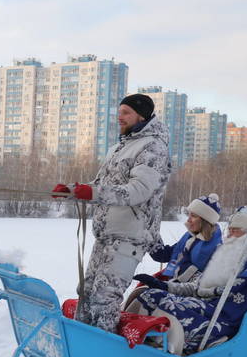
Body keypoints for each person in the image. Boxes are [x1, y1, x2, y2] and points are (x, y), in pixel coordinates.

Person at [52, 93, 171, 332]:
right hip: (107, 234)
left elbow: (138, 191)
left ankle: (102, 354)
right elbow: (101, 185)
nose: (120, 117)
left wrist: (91, 193)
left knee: (105, 298)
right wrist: (74, 190)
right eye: (119, 112)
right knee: (86, 293)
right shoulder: (119, 147)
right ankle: (82, 346)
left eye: (126, 112)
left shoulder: (153, 147)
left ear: (142, 115)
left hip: (129, 237)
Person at [131, 206, 247, 355]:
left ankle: (153, 346)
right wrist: (164, 286)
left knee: (162, 302)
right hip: (200, 300)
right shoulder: (218, 253)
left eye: (236, 230)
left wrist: (171, 286)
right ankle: (133, 335)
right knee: (148, 294)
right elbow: (196, 286)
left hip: (218, 316)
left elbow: (229, 295)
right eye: (229, 229)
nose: (230, 234)